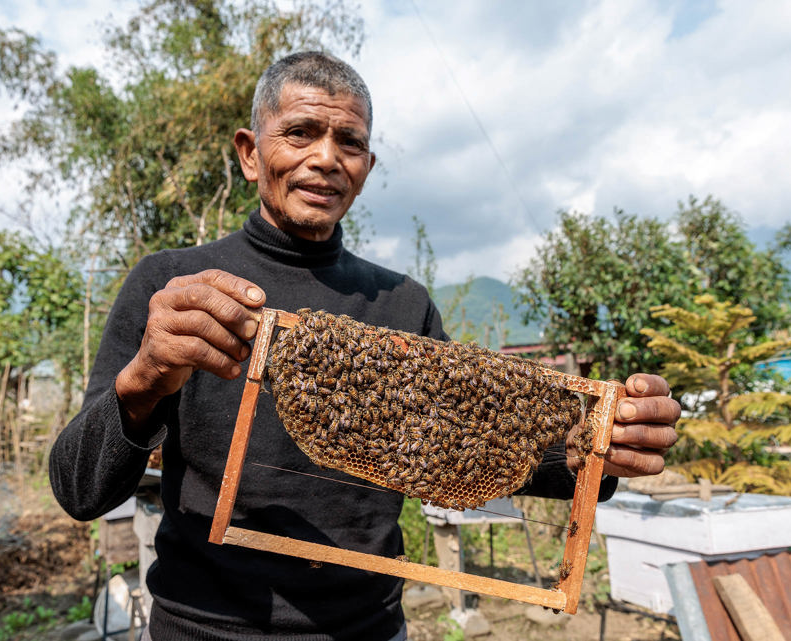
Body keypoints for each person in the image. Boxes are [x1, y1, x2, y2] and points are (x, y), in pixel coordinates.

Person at [49, 51, 680, 641]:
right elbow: (81, 491)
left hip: (367, 629)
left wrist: (596, 448)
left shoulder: (403, 305)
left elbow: (464, 449)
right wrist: (144, 380)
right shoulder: (173, 288)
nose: (326, 158)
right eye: (300, 133)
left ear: (367, 168)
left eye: (349, 142)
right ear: (249, 153)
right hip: (206, 628)